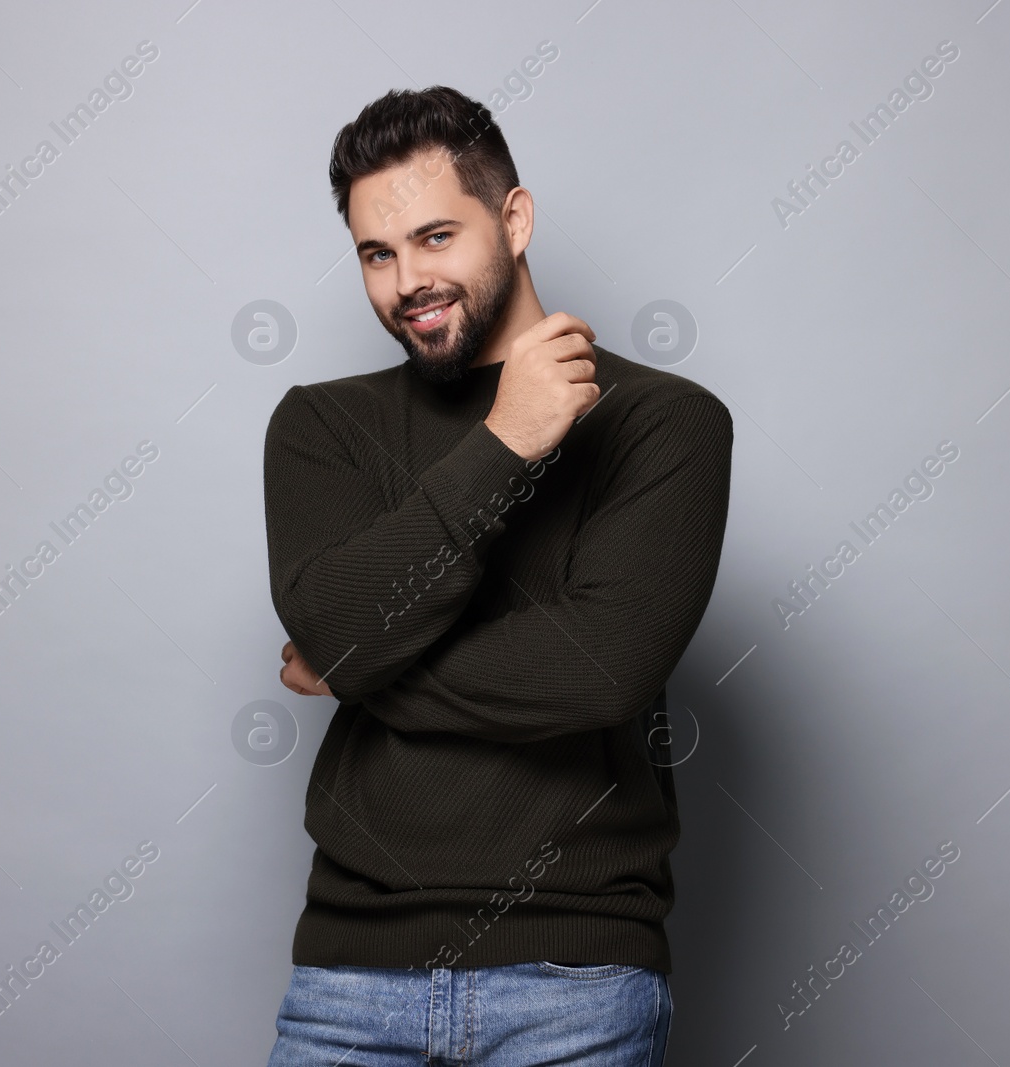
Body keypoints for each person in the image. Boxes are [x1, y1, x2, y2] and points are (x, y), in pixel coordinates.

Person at [262, 85, 733, 1065]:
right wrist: (507, 440)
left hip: (576, 984)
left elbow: (600, 670)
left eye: (435, 237)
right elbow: (343, 622)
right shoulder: (319, 425)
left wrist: (358, 664)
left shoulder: (664, 422)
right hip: (347, 979)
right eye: (375, 254)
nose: (405, 281)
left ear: (513, 219)